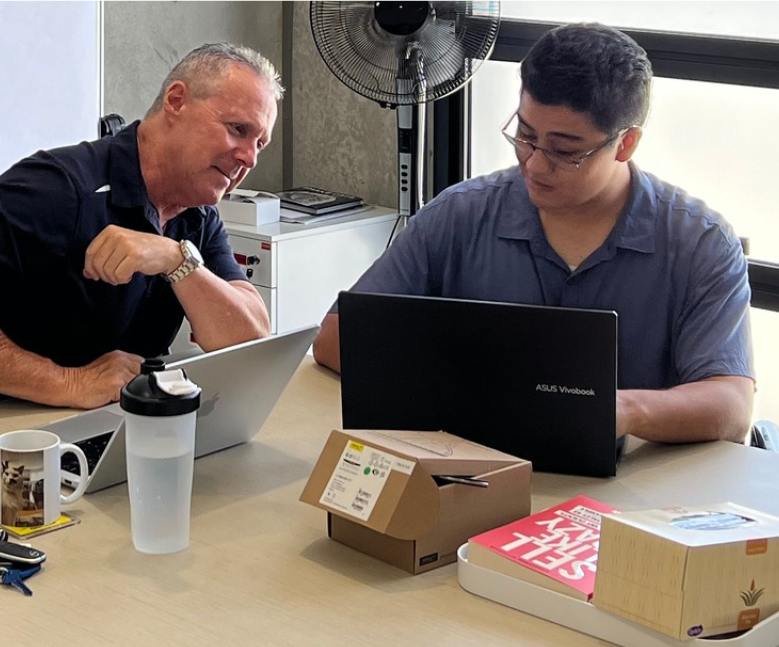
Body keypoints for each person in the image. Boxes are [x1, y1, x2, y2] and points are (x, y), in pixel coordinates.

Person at [312, 23, 754, 445]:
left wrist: (623, 411)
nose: (536, 164)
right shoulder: (460, 214)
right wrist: (456, 392)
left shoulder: (699, 242)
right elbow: (335, 337)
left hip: (635, 489)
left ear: (625, 144)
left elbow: (732, 407)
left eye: (565, 151)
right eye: (525, 135)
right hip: (476, 468)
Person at [0, 43, 279, 435]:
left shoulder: (196, 216)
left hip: (64, 433)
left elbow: (250, 339)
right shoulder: (58, 187)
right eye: (237, 129)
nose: (250, 158)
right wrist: (70, 383)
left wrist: (175, 259)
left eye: (259, 143)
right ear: (176, 101)